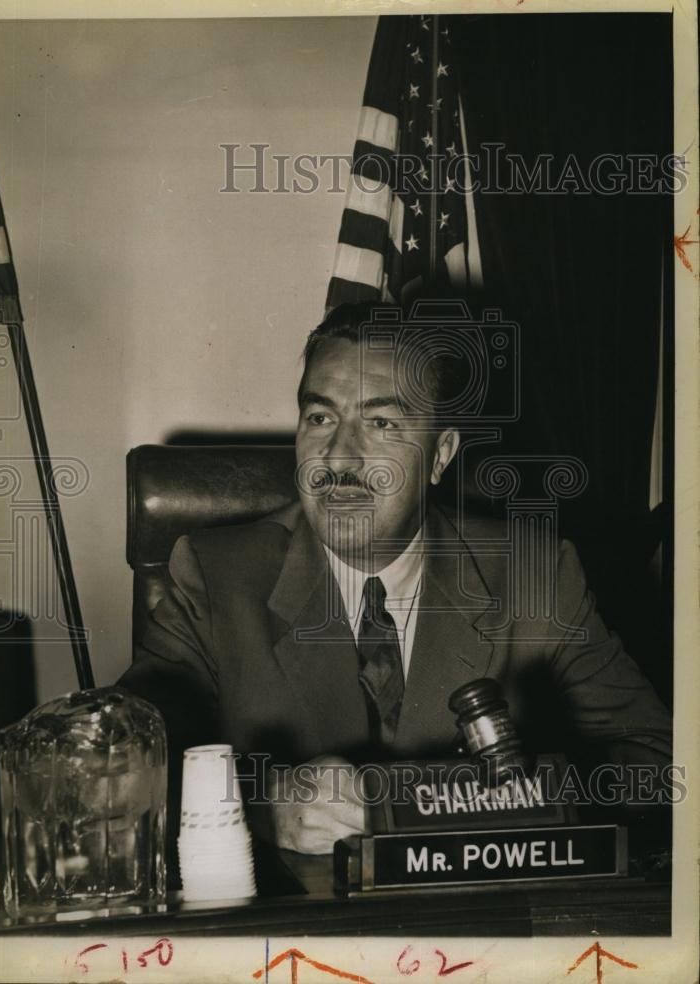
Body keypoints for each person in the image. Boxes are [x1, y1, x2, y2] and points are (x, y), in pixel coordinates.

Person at [119, 300, 672, 858]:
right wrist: (263, 805)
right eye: (320, 418)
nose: (340, 457)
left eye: (382, 423)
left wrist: (469, 803)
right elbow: (125, 767)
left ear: (440, 455)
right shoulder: (218, 577)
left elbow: (658, 764)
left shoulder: (536, 577)